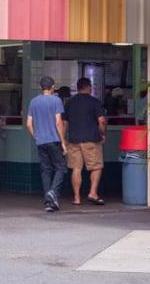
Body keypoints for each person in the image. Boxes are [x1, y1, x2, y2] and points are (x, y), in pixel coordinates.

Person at [63, 77, 106, 206]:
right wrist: (103, 134)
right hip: (91, 140)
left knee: (76, 168)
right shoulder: (94, 102)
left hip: (74, 140)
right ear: (89, 87)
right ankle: (93, 193)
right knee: (97, 167)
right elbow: (102, 121)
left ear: (77, 88)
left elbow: (65, 123)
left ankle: (76, 198)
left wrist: (63, 139)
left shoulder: (69, 102)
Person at [26, 76, 67, 213]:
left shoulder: (33, 102)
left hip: (40, 141)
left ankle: (49, 202)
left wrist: (36, 136)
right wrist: (63, 142)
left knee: (46, 170)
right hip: (53, 140)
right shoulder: (56, 100)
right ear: (53, 87)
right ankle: (53, 192)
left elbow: (28, 124)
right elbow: (58, 122)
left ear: (41, 87)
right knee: (61, 167)